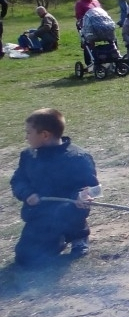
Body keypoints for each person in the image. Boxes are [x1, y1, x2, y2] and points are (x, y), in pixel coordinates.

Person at [10, 108, 96, 266]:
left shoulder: (78, 158)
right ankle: (56, 240)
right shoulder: (29, 157)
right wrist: (27, 194)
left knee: (69, 216)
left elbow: (93, 187)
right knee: (25, 258)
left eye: (29, 133)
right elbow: (18, 180)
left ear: (44, 135)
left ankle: (78, 234)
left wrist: (81, 196)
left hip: (70, 213)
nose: (26, 137)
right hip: (40, 215)